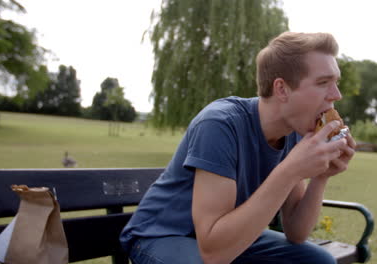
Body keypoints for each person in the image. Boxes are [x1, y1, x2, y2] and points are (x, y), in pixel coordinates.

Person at [120, 31, 356, 264]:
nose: (337, 95)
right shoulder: (219, 124)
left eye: (336, 83)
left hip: (223, 236)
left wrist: (321, 177)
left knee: (318, 261)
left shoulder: (295, 133)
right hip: (161, 235)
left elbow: (296, 232)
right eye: (323, 83)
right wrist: (290, 170)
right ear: (282, 89)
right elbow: (214, 254)